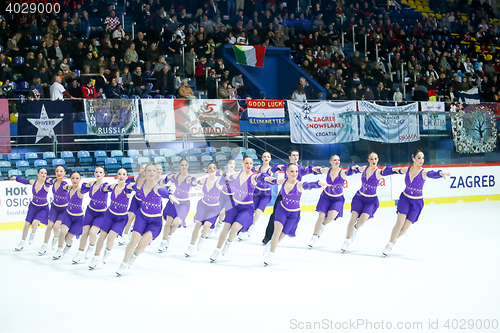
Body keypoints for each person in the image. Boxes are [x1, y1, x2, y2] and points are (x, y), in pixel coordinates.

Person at [382, 150, 450, 256]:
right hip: (405, 199)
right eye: (419, 158)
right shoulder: (407, 170)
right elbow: (395, 170)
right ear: (413, 158)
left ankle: (394, 239)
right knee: (399, 223)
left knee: (404, 228)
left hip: (417, 203)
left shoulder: (423, 172)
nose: (421, 160)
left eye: (423, 158)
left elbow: (432, 174)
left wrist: (440, 173)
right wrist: (388, 169)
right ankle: (389, 244)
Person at [116, 165, 179, 275]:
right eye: (149, 170)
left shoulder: (156, 187)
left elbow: (163, 191)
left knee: (141, 246)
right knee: (133, 240)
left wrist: (170, 196)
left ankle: (134, 256)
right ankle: (124, 263)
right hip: (142, 217)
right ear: (144, 172)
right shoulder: (140, 185)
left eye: (154, 170)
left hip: (155, 222)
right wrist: (127, 189)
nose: (152, 172)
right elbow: (130, 187)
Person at [262, 163, 329, 265]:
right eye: (292, 171)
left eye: (296, 171)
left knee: (281, 235)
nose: (294, 174)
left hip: (293, 215)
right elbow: (273, 181)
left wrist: (318, 183)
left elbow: (309, 185)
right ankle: (271, 254)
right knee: (276, 232)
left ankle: (271, 244)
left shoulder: (299, 184)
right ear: (287, 172)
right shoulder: (283, 181)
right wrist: (264, 178)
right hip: (282, 210)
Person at [340, 152, 399, 252]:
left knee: (361, 221)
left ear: (378, 160)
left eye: (375, 159)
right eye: (371, 159)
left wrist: (397, 170)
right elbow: (356, 168)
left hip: (371, 201)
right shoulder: (364, 168)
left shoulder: (379, 172)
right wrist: (353, 168)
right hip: (359, 197)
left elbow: (389, 171)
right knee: (353, 218)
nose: (373, 161)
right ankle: (347, 240)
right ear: (368, 160)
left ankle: (356, 228)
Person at [210, 156, 265, 262]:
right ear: (243, 164)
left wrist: (268, 178)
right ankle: (217, 250)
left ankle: (229, 242)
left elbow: (262, 177)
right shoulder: (235, 175)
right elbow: (222, 182)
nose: (249, 165)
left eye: (251, 163)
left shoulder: (253, 177)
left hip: (247, 208)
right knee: (226, 227)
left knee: (234, 228)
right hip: (234, 205)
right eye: (247, 163)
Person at [262, 150, 318, 245]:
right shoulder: (285, 167)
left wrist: (315, 169)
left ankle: (289, 230)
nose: (296, 157)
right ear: (289, 157)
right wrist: (275, 167)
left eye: (297, 155)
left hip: (294, 197)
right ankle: (268, 237)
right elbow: (276, 168)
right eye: (293, 155)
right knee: (274, 215)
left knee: (294, 216)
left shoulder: (301, 169)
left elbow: (310, 170)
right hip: (282, 195)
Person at [89, 168, 135, 269]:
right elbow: (104, 188)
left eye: (124, 174)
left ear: (127, 177)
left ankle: (108, 250)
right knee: (102, 237)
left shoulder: (127, 188)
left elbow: (133, 186)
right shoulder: (113, 186)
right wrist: (98, 186)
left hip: (121, 218)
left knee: (110, 238)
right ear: (117, 176)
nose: (121, 176)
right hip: (109, 214)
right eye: (119, 174)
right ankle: (95, 257)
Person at [307, 155, 358, 248]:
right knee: (321, 216)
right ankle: (314, 237)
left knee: (330, 217)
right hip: (326, 197)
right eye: (335, 160)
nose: (337, 161)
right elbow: (319, 170)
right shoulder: (327, 170)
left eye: (338, 160)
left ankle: (322, 225)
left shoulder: (342, 172)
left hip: (337, 199)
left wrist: (353, 169)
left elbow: (348, 172)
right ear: (331, 161)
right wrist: (314, 169)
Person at [158, 158, 197, 252]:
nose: (184, 167)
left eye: (186, 165)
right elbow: (165, 180)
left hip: (184, 203)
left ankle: (168, 237)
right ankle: (163, 241)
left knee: (176, 223)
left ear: (188, 166)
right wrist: (160, 183)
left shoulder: (189, 178)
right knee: (168, 222)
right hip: (173, 201)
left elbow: (194, 182)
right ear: (179, 166)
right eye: (182, 165)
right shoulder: (175, 176)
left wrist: (195, 182)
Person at [72, 167, 109, 263]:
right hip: (90, 211)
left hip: (101, 213)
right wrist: (87, 185)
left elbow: (109, 188)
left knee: (92, 232)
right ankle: (80, 252)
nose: (98, 173)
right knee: (85, 232)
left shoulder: (105, 185)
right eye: (96, 172)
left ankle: (91, 246)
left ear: (103, 174)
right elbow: (82, 191)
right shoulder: (92, 183)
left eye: (100, 172)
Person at [185, 162, 222, 256]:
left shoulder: (219, 182)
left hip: (214, 208)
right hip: (203, 205)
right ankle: (191, 246)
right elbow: (194, 182)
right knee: (197, 225)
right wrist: (192, 181)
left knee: (206, 227)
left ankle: (202, 238)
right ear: (207, 169)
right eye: (210, 167)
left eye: (214, 167)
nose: (212, 169)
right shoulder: (204, 180)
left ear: (216, 170)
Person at [239, 152, 278, 240]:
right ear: (262, 158)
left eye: (268, 156)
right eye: (264, 156)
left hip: (265, 195)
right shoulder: (258, 167)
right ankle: (244, 230)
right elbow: (249, 168)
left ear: (270, 158)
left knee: (257, 213)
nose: (266, 158)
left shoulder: (270, 170)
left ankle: (251, 226)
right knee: (250, 211)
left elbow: (271, 176)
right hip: (256, 193)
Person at [13, 168, 52, 251]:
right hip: (33, 206)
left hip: (43, 208)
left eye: (45, 173)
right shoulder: (33, 182)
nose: (44, 174)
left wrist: (51, 180)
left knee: (35, 223)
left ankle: (33, 234)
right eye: (42, 173)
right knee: (27, 224)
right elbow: (24, 181)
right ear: (37, 174)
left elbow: (50, 182)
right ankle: (22, 241)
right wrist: (16, 178)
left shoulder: (46, 185)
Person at [52, 172, 88, 259]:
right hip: (68, 215)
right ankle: (59, 249)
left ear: (80, 179)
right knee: (62, 232)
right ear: (70, 179)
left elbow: (84, 189)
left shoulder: (80, 191)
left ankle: (68, 245)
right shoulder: (69, 188)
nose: (75, 180)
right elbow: (63, 186)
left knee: (67, 239)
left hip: (78, 219)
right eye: (73, 178)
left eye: (77, 178)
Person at [38, 166, 69, 255]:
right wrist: (46, 181)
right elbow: (47, 180)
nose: (59, 173)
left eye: (61, 171)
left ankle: (55, 238)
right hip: (54, 207)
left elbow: (68, 187)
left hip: (63, 209)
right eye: (57, 171)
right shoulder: (53, 181)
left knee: (56, 227)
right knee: (49, 226)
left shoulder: (64, 184)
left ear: (64, 173)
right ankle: (44, 245)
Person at [118, 163, 148, 245]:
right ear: (140, 170)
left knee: (139, 219)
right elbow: (126, 180)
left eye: (146, 168)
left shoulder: (149, 180)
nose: (144, 170)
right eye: (142, 168)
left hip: (144, 203)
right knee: (129, 217)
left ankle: (134, 231)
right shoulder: (137, 178)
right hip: (135, 200)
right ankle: (125, 235)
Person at [212, 158, 237, 236]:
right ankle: (218, 223)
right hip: (222, 195)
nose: (232, 165)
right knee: (219, 212)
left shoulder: (236, 174)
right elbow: (220, 182)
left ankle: (219, 225)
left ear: (235, 165)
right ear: (227, 165)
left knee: (223, 211)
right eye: (230, 163)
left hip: (231, 197)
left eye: (233, 163)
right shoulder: (224, 173)